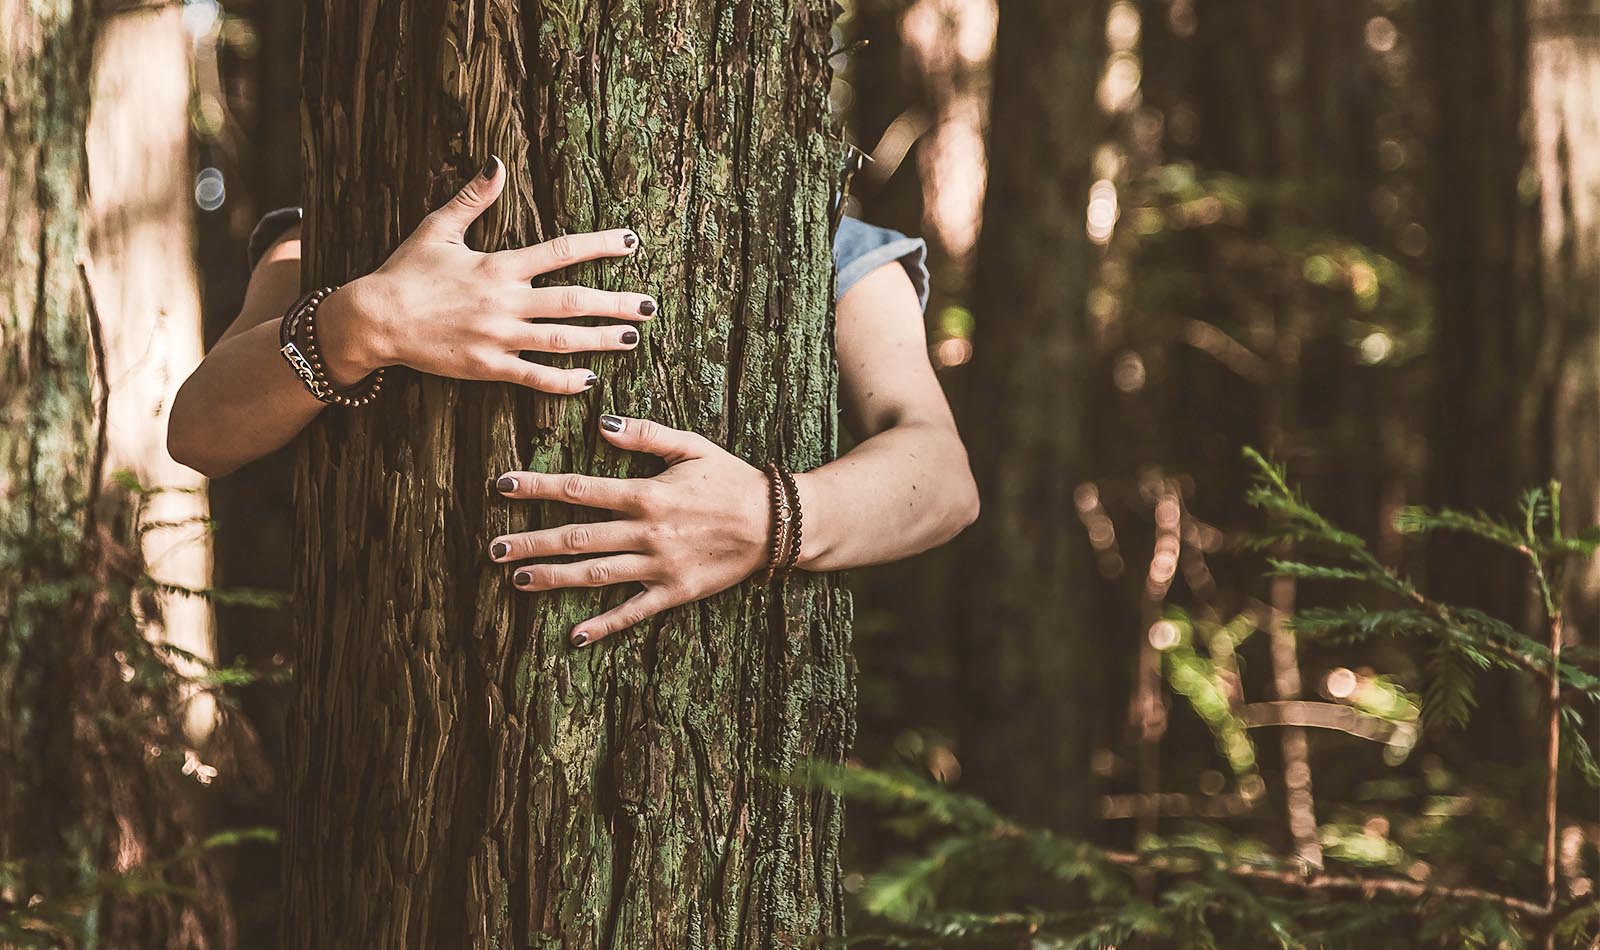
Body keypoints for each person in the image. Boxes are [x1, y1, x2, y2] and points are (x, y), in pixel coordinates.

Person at [169, 155, 978, 646]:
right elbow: (202, 430)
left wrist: (770, 517)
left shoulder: (821, 239)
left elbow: (941, 476)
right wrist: (365, 320)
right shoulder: (348, 216)